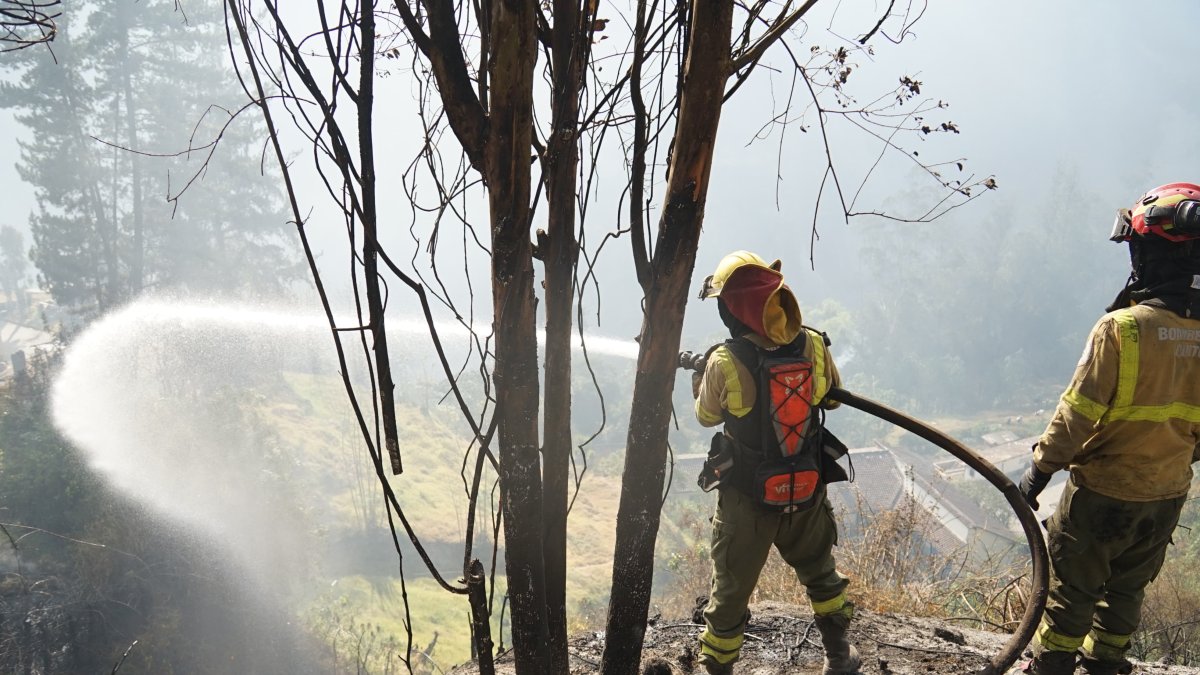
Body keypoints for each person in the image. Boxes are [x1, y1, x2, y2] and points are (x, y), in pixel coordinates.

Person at [1018, 183, 1200, 675]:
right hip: (1166, 494)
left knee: (1073, 592)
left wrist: (1038, 472)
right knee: (1127, 591)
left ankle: (1052, 665)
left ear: (1151, 254)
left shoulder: (1122, 328)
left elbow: (1076, 415)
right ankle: (1106, 664)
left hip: (1102, 492)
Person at [690, 251, 860, 675]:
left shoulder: (725, 361)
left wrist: (701, 380)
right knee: (822, 575)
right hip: (806, 489)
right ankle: (839, 657)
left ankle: (719, 669)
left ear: (733, 309)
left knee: (730, 592)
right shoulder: (814, 343)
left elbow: (707, 416)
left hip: (747, 500)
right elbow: (832, 401)